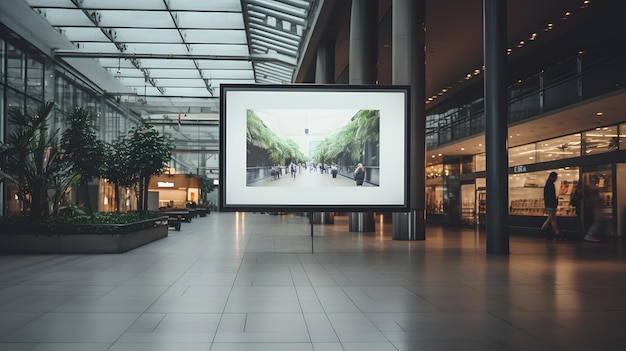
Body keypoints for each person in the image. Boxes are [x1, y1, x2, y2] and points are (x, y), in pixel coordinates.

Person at [541, 171, 563, 240]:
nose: (556, 179)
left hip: (549, 205)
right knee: (553, 219)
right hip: (551, 205)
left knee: (550, 218)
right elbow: (551, 196)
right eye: (556, 177)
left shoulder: (547, 184)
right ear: (553, 177)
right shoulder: (550, 185)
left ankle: (543, 230)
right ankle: (557, 233)